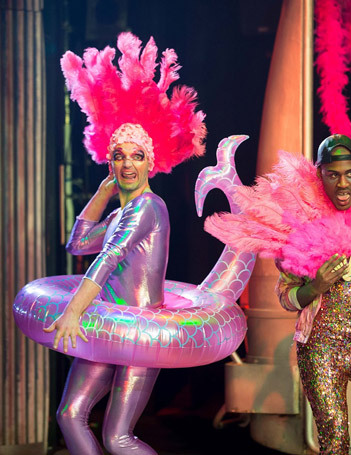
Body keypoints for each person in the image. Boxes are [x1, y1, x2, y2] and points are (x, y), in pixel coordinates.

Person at [205, 134, 351, 455]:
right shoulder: (302, 226)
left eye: (350, 173)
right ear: (320, 177)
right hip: (321, 351)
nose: (342, 184)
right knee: (335, 445)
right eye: (333, 175)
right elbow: (287, 298)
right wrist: (315, 286)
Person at [43, 33, 205, 454]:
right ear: (109, 160)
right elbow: (78, 246)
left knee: (118, 437)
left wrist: (73, 311)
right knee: (69, 414)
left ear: (151, 161)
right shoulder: (120, 212)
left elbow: (110, 257)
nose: (127, 164)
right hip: (108, 325)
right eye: (119, 155)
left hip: (138, 331)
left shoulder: (149, 208)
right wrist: (101, 195)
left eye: (136, 155)